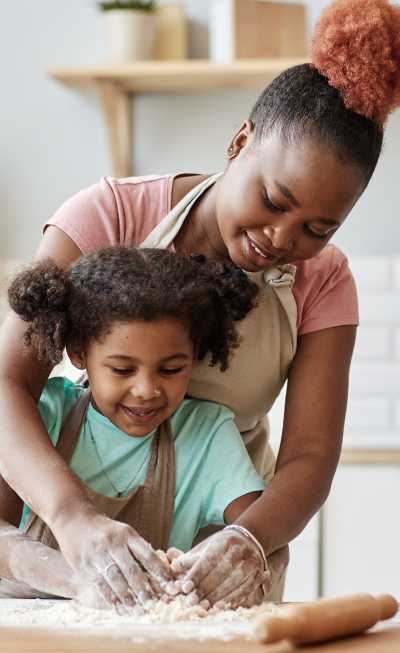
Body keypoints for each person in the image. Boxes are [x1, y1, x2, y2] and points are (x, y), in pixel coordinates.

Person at [0, 0, 399, 608]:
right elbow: (6, 380)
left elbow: (311, 456)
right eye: (273, 198)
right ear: (241, 141)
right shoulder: (108, 216)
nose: (283, 239)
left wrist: (249, 539)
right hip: (70, 558)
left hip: (213, 574)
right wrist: (73, 518)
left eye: (319, 229)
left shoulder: (322, 283)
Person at [0, 245, 283, 608]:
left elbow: (267, 542)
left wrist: (240, 567)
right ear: (78, 352)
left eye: (170, 370)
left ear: (196, 354)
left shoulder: (206, 436)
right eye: (122, 369)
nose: (147, 389)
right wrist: (84, 580)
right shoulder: (42, 415)